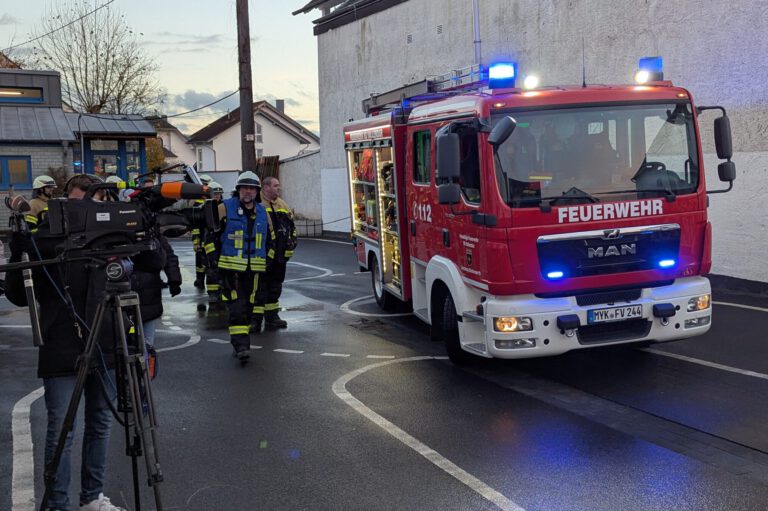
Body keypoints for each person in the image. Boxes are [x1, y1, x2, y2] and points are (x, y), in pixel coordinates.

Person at [5, 173, 165, 511]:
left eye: (92, 203)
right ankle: (57, 503)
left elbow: (155, 262)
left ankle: (91, 498)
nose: (84, 212)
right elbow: (19, 295)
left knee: (101, 422)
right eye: (77, 203)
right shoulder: (44, 238)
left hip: (108, 340)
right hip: (61, 344)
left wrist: (146, 222)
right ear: (62, 203)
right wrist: (19, 250)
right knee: (61, 427)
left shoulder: (110, 237)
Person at [208, 171, 271, 361]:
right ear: (238, 190)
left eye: (252, 188)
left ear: (257, 191)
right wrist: (212, 261)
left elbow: (270, 241)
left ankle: (242, 342)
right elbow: (210, 236)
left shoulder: (263, 212)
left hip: (255, 272)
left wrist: (268, 261)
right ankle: (241, 346)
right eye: (244, 188)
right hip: (230, 270)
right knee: (236, 308)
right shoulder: (224, 208)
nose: (248, 192)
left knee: (249, 308)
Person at [253, 176, 297, 331]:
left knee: (275, 287)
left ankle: (272, 317)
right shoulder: (257, 205)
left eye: (279, 185)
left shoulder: (282, 204)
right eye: (275, 185)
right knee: (259, 288)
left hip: (279, 256)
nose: (279, 188)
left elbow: (291, 227)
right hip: (263, 256)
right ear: (266, 188)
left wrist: (290, 246)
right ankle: (255, 320)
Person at [202, 182, 225, 308]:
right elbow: (201, 229)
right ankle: (212, 293)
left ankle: (222, 292)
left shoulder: (225, 207)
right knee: (211, 269)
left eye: (218, 194)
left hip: (223, 243)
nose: (216, 196)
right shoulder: (206, 207)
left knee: (222, 270)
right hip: (210, 241)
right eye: (214, 194)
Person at [191, 174, 214, 289]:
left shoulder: (206, 202)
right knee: (200, 260)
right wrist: (196, 240)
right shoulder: (199, 203)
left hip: (206, 236)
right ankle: (200, 280)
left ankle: (200, 280)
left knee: (205, 260)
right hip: (201, 236)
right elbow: (195, 225)